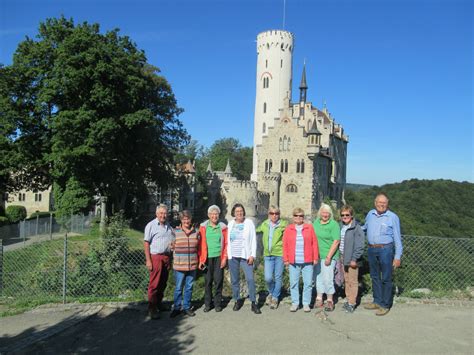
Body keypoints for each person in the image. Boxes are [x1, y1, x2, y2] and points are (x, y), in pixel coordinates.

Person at [363, 192, 403, 316]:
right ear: (375, 203)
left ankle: (385, 305)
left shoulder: (393, 217)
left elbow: (397, 238)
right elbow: (365, 227)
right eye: (380, 202)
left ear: (387, 204)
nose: (382, 205)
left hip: (386, 250)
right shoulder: (370, 214)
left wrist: (397, 256)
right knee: (375, 276)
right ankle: (377, 301)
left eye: (384, 203)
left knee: (386, 278)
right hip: (371, 249)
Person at [227, 203, 261, 314]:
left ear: (244, 212)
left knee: (250, 279)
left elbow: (253, 240)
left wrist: (252, 255)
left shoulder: (249, 223)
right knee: (235, 280)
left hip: (245, 257)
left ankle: (253, 302)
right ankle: (237, 300)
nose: (239, 213)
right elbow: (227, 240)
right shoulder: (230, 224)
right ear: (233, 213)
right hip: (233, 256)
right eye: (237, 212)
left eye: (241, 211)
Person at [283, 208, 319, 313]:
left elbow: (314, 243)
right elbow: (285, 245)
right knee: (294, 283)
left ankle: (306, 303)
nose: (298, 218)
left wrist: (315, 257)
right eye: (296, 216)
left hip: (307, 260)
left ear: (303, 217)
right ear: (293, 217)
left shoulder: (309, 228)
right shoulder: (289, 229)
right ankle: (295, 303)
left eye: (300, 216)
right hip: (293, 261)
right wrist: (285, 259)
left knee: (308, 283)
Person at [144, 204, 176, 320]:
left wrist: (173, 244)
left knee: (163, 282)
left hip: (166, 257)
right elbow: (146, 243)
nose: (163, 215)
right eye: (161, 213)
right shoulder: (151, 226)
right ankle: (152, 308)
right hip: (156, 257)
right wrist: (148, 260)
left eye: (165, 213)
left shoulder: (168, 226)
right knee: (154, 284)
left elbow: (173, 239)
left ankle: (159, 303)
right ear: (157, 214)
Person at [256, 206, 288, 309]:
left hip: (279, 254)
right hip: (267, 255)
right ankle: (271, 292)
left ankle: (274, 297)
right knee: (268, 277)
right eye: (272, 213)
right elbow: (255, 231)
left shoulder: (284, 225)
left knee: (278, 277)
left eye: (276, 213)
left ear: (279, 214)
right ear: (269, 214)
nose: (274, 215)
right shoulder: (265, 224)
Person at [170, 210, 199, 318]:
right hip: (179, 265)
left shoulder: (196, 232)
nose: (186, 221)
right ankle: (177, 308)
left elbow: (199, 247)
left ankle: (186, 307)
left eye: (188, 218)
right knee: (178, 288)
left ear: (191, 220)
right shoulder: (175, 232)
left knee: (189, 287)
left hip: (192, 265)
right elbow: (171, 246)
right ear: (181, 220)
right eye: (184, 219)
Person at [198, 205, 228, 312]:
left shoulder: (223, 227)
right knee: (208, 281)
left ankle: (217, 303)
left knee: (218, 281)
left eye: (216, 214)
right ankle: (207, 304)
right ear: (209, 215)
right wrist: (201, 259)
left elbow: (226, 243)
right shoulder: (203, 227)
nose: (214, 216)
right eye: (212, 214)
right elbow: (199, 244)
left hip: (218, 257)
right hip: (207, 258)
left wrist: (224, 258)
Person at [313, 203, 340, 312]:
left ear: (330, 214)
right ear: (320, 213)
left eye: (327, 213)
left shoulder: (334, 225)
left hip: (329, 255)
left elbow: (336, 241)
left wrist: (329, 256)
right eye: (323, 212)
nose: (325, 214)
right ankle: (319, 298)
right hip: (317, 255)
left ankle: (329, 300)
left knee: (328, 278)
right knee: (318, 277)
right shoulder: (316, 223)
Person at [338, 205, 365, 313]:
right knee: (347, 280)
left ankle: (352, 303)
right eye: (342, 215)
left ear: (351, 215)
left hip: (352, 259)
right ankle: (349, 300)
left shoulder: (357, 228)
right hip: (343, 257)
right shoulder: (341, 226)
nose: (345, 217)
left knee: (353, 281)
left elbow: (360, 245)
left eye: (347, 215)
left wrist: (354, 259)